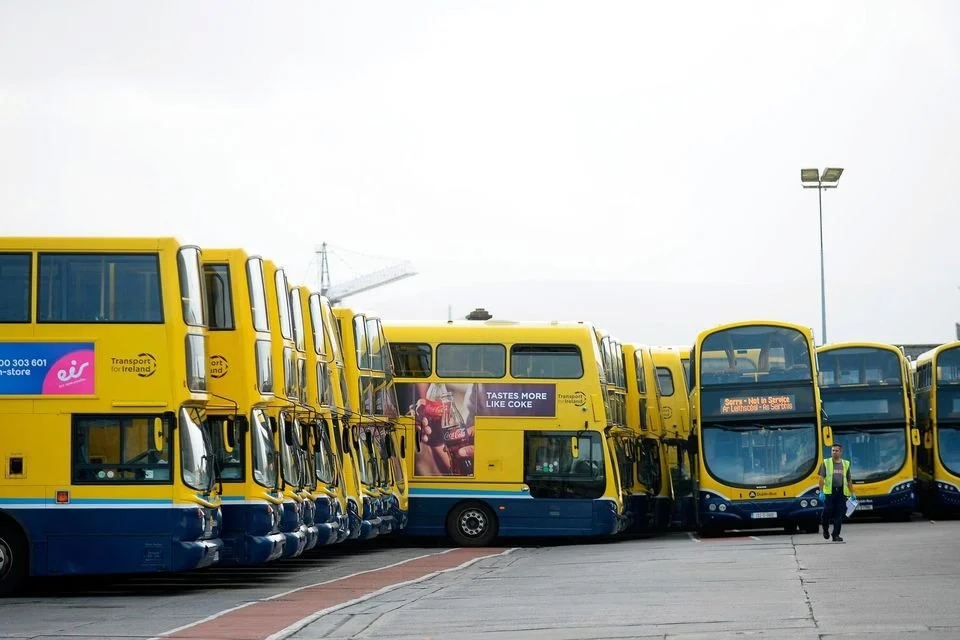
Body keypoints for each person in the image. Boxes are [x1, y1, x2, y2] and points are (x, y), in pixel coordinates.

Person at [818, 443, 853, 542]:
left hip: (841, 492)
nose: (834, 452)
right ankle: (825, 529)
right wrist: (821, 492)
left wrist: (852, 493)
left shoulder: (846, 463)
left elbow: (849, 479)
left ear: (840, 452)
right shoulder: (826, 462)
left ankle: (836, 535)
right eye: (833, 450)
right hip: (829, 492)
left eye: (836, 450)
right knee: (827, 511)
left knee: (839, 514)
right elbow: (821, 478)